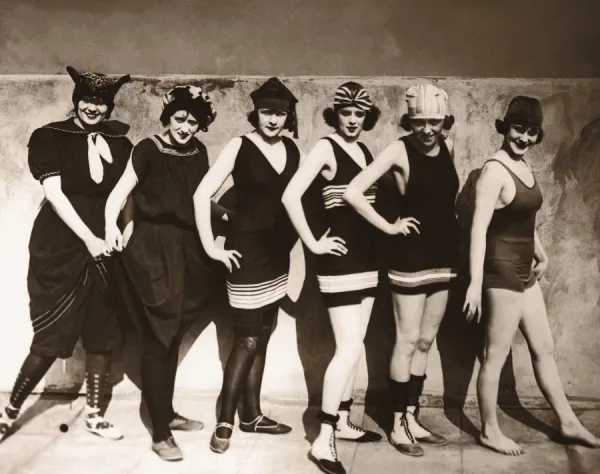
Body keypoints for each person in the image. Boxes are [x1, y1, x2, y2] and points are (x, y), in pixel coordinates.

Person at [0, 66, 132, 441]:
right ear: (77, 101)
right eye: (88, 100)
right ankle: (8, 414)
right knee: (49, 336)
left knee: (102, 330)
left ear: (108, 107)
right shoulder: (48, 137)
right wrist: (89, 238)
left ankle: (94, 414)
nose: (94, 108)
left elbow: (126, 192)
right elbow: (55, 194)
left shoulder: (120, 143)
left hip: (105, 244)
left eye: (101, 102)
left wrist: (123, 226)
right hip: (62, 244)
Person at [463, 96, 600, 455]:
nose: (523, 137)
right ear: (505, 127)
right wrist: (475, 285)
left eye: (531, 131)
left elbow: (524, 218)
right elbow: (479, 228)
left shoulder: (523, 166)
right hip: (502, 270)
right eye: (518, 129)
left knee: (545, 349)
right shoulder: (494, 171)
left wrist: (540, 250)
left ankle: (568, 422)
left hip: (525, 269)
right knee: (495, 354)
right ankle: (490, 430)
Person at [104, 85, 232, 461]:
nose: (185, 127)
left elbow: (201, 200)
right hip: (152, 251)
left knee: (173, 338)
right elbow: (118, 193)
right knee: (158, 340)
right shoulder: (146, 149)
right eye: (180, 119)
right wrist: (112, 225)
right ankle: (160, 432)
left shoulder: (198, 152)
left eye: (193, 121)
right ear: (167, 117)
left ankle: (167, 413)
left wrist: (232, 218)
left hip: (189, 250)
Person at [345, 84, 458, 457]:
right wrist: (390, 225)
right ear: (409, 119)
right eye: (419, 121)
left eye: (434, 122)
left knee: (426, 341)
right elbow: (353, 192)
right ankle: (397, 424)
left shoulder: (449, 148)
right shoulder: (398, 148)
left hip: (443, 257)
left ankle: (412, 416)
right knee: (407, 341)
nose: (427, 129)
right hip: (409, 260)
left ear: (445, 121)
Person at [194, 77, 300, 454]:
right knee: (248, 338)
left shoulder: (293, 149)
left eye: (281, 113)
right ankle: (226, 419)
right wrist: (213, 246)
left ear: (289, 117)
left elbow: (297, 205)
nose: (273, 119)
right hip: (245, 256)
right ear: (256, 112)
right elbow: (202, 194)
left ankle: (252, 415)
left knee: (266, 331)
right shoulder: (240, 145)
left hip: (278, 257)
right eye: (268, 112)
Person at [282, 82, 382, 474]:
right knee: (349, 349)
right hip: (338, 264)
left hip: (368, 260)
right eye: (346, 113)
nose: (353, 120)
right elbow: (291, 195)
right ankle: (323, 442)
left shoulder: (366, 150)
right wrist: (313, 242)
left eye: (359, 115)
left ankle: (343, 419)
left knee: (355, 347)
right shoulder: (326, 148)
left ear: (366, 118)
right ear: (336, 115)